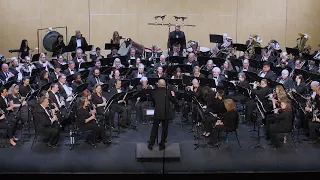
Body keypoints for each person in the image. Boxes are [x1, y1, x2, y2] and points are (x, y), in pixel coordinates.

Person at [148, 79, 179, 151]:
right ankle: (162, 145)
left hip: (157, 113)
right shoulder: (168, 92)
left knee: (154, 128)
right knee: (164, 130)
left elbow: (153, 102)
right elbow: (175, 101)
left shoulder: (154, 92)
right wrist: (173, 96)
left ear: (158, 84)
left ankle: (151, 145)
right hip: (165, 113)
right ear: (165, 85)